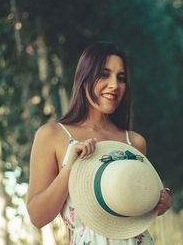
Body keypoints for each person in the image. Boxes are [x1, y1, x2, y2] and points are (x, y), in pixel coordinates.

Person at [27, 41, 172, 244]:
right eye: (105, 74)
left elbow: (132, 214)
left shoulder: (135, 142)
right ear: (84, 78)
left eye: (121, 78)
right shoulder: (52, 135)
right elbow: (37, 217)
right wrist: (70, 169)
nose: (114, 85)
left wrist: (159, 202)